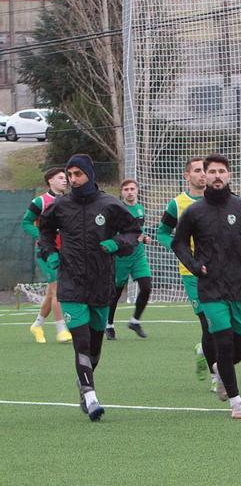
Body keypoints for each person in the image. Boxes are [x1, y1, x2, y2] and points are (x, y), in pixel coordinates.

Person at [38, 154, 141, 421]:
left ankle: (83, 382)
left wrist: (117, 243)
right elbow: (45, 231)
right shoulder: (61, 206)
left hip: (101, 283)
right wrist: (49, 252)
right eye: (69, 175)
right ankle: (91, 395)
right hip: (71, 283)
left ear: (89, 174)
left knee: (95, 347)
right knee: (81, 342)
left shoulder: (109, 204)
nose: (73, 179)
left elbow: (132, 232)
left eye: (77, 174)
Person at [172, 154, 241, 419]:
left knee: (240, 347)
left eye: (222, 171)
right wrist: (194, 265)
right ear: (204, 176)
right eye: (212, 171)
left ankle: (218, 367)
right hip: (210, 287)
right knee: (224, 342)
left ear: (229, 175)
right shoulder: (194, 212)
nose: (217, 175)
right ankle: (236, 401)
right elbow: (178, 243)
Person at [156, 157, 217, 390]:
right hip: (192, 273)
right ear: (187, 176)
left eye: (206, 171)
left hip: (219, 270)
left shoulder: (220, 201)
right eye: (198, 171)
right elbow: (163, 232)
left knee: (224, 323)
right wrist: (179, 249)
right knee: (207, 322)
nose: (203, 174)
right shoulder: (178, 204)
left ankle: (203, 350)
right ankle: (216, 376)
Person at [21, 167, 72, 344]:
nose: (65, 180)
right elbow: (26, 222)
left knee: (52, 293)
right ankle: (61, 330)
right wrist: (43, 237)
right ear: (50, 180)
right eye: (60, 178)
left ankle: (37, 324)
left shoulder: (69, 200)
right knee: (58, 289)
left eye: (66, 178)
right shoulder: (40, 201)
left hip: (65, 252)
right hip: (46, 252)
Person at [106, 179, 151, 340]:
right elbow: (115, 235)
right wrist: (130, 241)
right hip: (121, 257)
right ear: (122, 192)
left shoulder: (140, 209)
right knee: (115, 293)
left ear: (137, 190)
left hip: (138, 256)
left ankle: (135, 321)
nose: (130, 192)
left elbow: (138, 232)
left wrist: (143, 238)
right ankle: (109, 325)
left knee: (146, 287)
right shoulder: (117, 210)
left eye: (132, 188)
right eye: (126, 189)